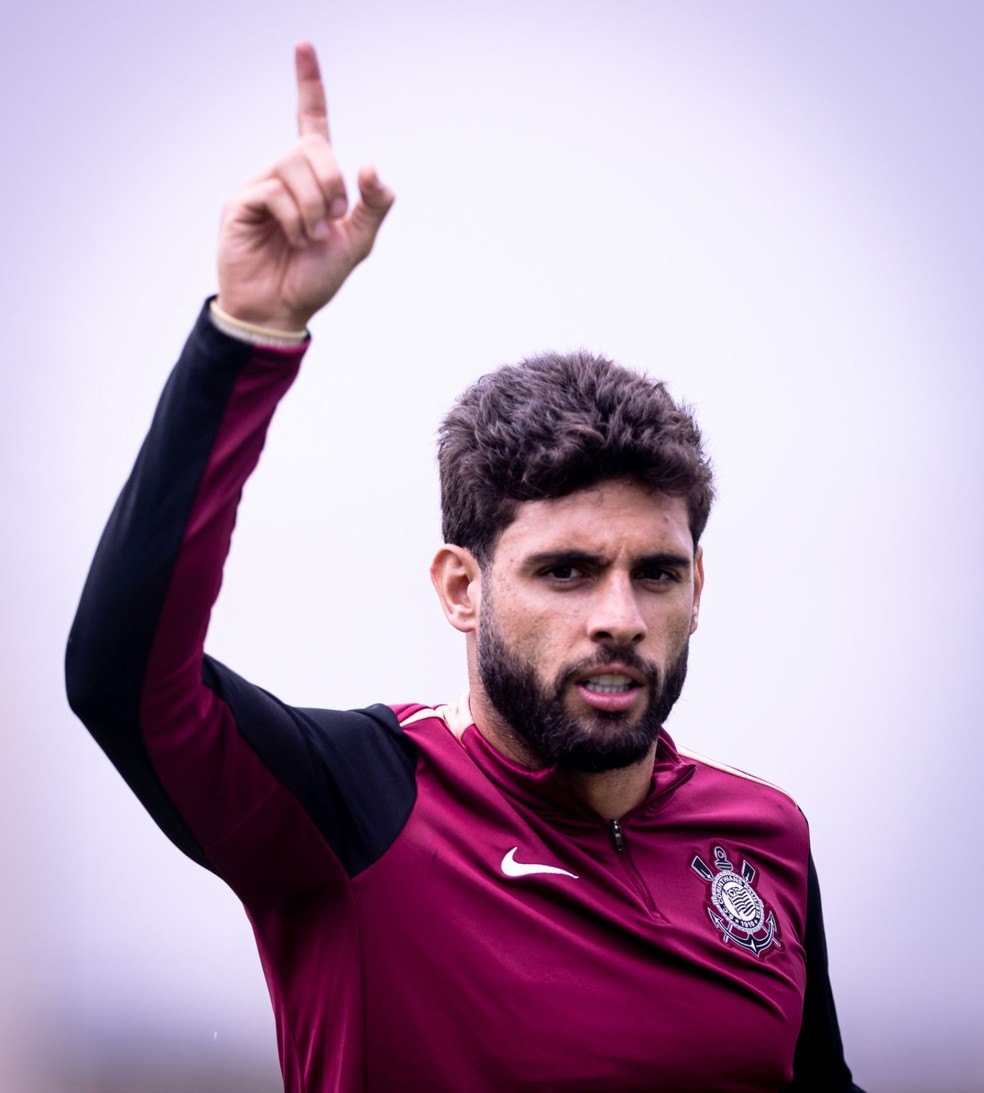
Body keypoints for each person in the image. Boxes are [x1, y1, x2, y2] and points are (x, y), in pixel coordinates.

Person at [66, 42, 863, 1093]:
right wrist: (247, 335)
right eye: (568, 571)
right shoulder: (357, 804)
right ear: (460, 585)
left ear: (699, 589)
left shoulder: (764, 836)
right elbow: (124, 679)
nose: (620, 614)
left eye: (657, 573)